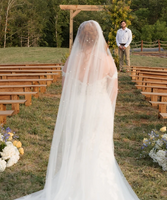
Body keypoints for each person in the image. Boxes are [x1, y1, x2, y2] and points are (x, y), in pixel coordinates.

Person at [16, 20, 139, 200]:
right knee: (100, 148)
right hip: (100, 109)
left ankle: (75, 182)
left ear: (80, 39)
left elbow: (66, 90)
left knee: (79, 145)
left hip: (78, 108)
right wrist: (106, 109)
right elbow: (113, 90)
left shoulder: (72, 60)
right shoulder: (106, 60)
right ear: (98, 38)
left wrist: (76, 105)